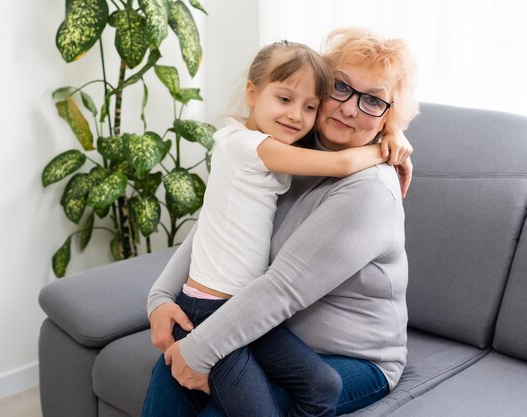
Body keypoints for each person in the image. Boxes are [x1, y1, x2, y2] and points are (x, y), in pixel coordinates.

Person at [144, 27, 418, 417]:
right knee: (169, 371)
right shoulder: (288, 146)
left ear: (388, 117)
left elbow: (283, 288)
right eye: (341, 87)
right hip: (263, 333)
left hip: (350, 357)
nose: (350, 109)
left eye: (373, 100)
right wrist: (160, 300)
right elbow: (216, 223)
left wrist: (199, 348)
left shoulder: (370, 189)